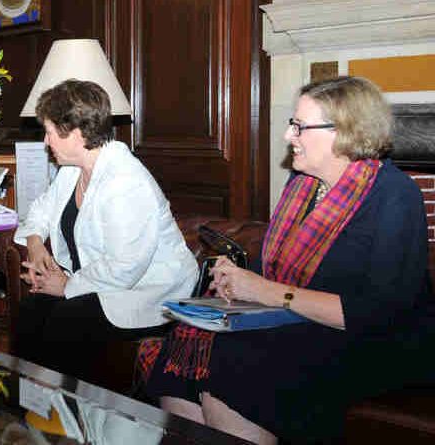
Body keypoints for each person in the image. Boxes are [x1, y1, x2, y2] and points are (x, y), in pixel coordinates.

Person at [144, 76, 435, 443]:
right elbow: (284, 274)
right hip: (305, 320)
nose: (287, 136)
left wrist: (266, 291)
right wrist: (239, 280)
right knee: (186, 342)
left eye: (299, 126)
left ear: (344, 131)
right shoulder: (302, 187)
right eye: (291, 124)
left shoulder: (394, 195)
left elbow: (377, 313)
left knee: (237, 364)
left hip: (381, 340)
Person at [13, 79, 198, 379]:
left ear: (74, 133)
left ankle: (71, 415)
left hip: (149, 293)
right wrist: (35, 244)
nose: (46, 143)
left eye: (48, 133)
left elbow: (125, 267)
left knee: (65, 320)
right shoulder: (72, 170)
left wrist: (66, 287)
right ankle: (28, 410)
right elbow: (41, 209)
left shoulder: (126, 182)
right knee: (32, 310)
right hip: (103, 284)